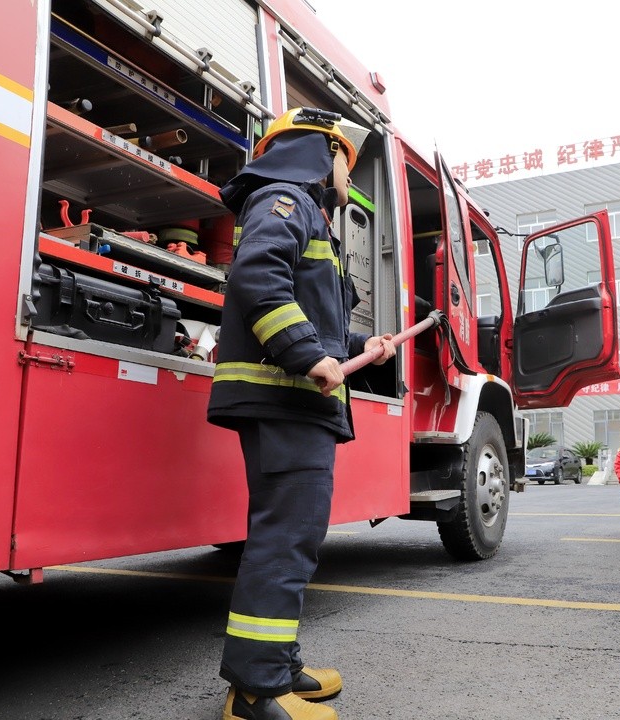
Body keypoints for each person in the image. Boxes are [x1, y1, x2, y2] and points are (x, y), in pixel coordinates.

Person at [208, 107, 396, 720]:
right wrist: (306, 353)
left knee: (292, 539)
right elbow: (258, 278)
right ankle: (257, 691)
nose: (351, 176)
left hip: (288, 402)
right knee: (286, 540)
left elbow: (300, 309)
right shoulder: (288, 200)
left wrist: (355, 352)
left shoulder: (299, 208)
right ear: (327, 153)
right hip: (284, 404)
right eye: (348, 159)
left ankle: (275, 664)